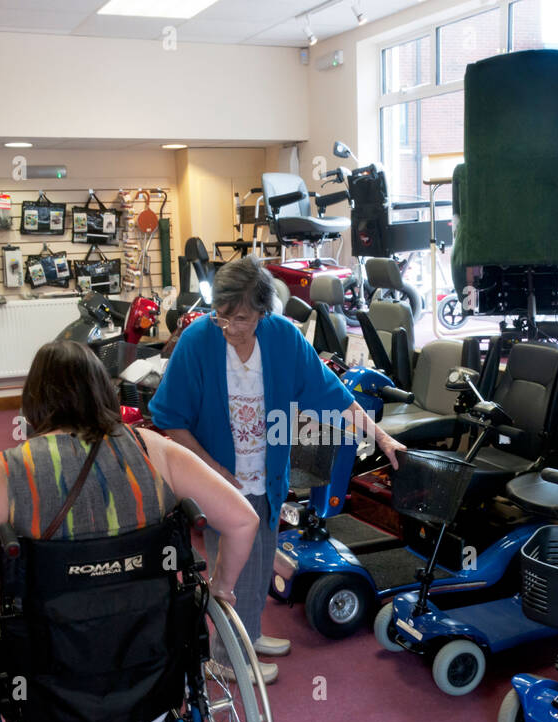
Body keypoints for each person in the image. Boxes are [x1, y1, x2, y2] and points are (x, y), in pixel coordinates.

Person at [0, 339, 260, 674]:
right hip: (154, 649)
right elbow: (243, 520)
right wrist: (221, 587)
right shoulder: (154, 449)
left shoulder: (7, 473)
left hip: (54, 665)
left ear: (32, 401)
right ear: (102, 390)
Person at [148, 256, 407, 671]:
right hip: (217, 479)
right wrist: (212, 469)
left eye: (243, 318)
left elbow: (334, 394)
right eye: (223, 316)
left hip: (267, 475)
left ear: (264, 313)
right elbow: (169, 420)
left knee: (261, 559)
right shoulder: (199, 340)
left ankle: (247, 636)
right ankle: (225, 658)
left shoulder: (283, 338)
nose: (231, 327)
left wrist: (381, 435)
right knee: (229, 569)